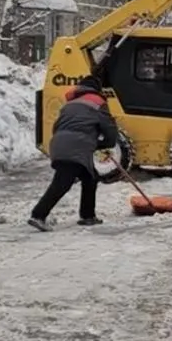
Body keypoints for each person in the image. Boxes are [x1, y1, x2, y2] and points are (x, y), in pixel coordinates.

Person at [28, 76, 118, 231]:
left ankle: (87, 216)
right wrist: (104, 144)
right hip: (77, 146)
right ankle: (38, 215)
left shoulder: (70, 104)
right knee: (62, 182)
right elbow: (109, 128)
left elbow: (57, 126)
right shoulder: (97, 102)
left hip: (59, 143)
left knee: (90, 178)